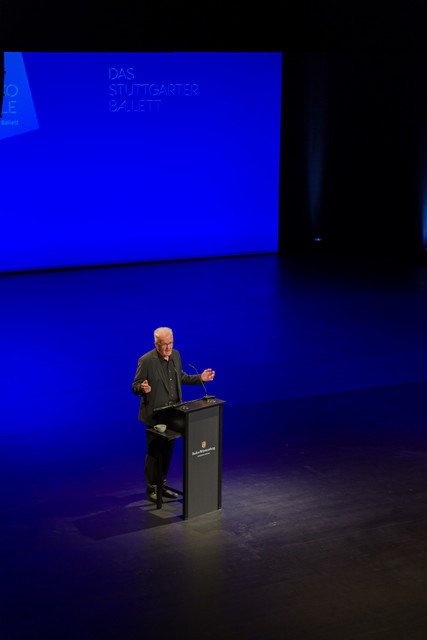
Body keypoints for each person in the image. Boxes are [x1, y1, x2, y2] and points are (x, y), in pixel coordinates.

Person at [132, 327, 215, 502]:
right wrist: (142, 388)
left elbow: (182, 377)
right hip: (155, 415)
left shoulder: (176, 355)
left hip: (174, 413)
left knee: (168, 451)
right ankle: (152, 488)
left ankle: (162, 484)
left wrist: (201, 378)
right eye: (164, 344)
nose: (168, 348)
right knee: (154, 452)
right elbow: (136, 385)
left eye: (171, 343)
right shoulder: (146, 361)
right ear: (156, 344)